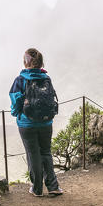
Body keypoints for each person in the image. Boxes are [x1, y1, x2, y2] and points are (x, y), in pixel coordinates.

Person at [9, 48, 63, 197]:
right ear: (41, 63)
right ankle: (53, 186)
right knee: (46, 152)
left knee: (33, 155)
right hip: (46, 123)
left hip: (27, 125)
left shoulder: (20, 80)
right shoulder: (46, 78)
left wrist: (17, 113)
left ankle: (37, 189)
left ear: (25, 62)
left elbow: (15, 102)